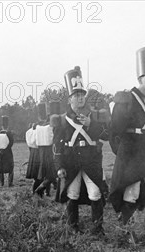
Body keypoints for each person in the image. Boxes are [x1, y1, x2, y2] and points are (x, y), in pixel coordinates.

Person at [109, 45, 145, 238]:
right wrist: (124, 154)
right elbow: (115, 131)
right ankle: (126, 230)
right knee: (131, 192)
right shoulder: (126, 99)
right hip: (131, 153)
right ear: (139, 79)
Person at [51, 66, 108, 235]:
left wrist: (91, 125)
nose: (80, 98)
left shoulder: (95, 116)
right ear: (69, 100)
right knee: (72, 193)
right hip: (71, 161)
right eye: (76, 95)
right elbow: (56, 146)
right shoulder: (62, 120)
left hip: (91, 160)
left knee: (96, 193)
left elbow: (105, 136)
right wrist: (59, 166)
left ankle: (98, 229)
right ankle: (73, 227)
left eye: (82, 95)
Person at [31, 103, 57, 197]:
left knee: (45, 175)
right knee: (51, 175)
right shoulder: (49, 125)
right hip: (49, 152)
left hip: (40, 152)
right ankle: (39, 191)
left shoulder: (36, 126)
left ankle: (44, 192)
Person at [0, 116, 15, 187]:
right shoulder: (9, 133)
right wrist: (5, 150)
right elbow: (11, 143)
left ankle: (2, 183)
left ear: (1, 126)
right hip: (8, 153)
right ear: (7, 126)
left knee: (0, 169)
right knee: (10, 168)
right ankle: (10, 183)